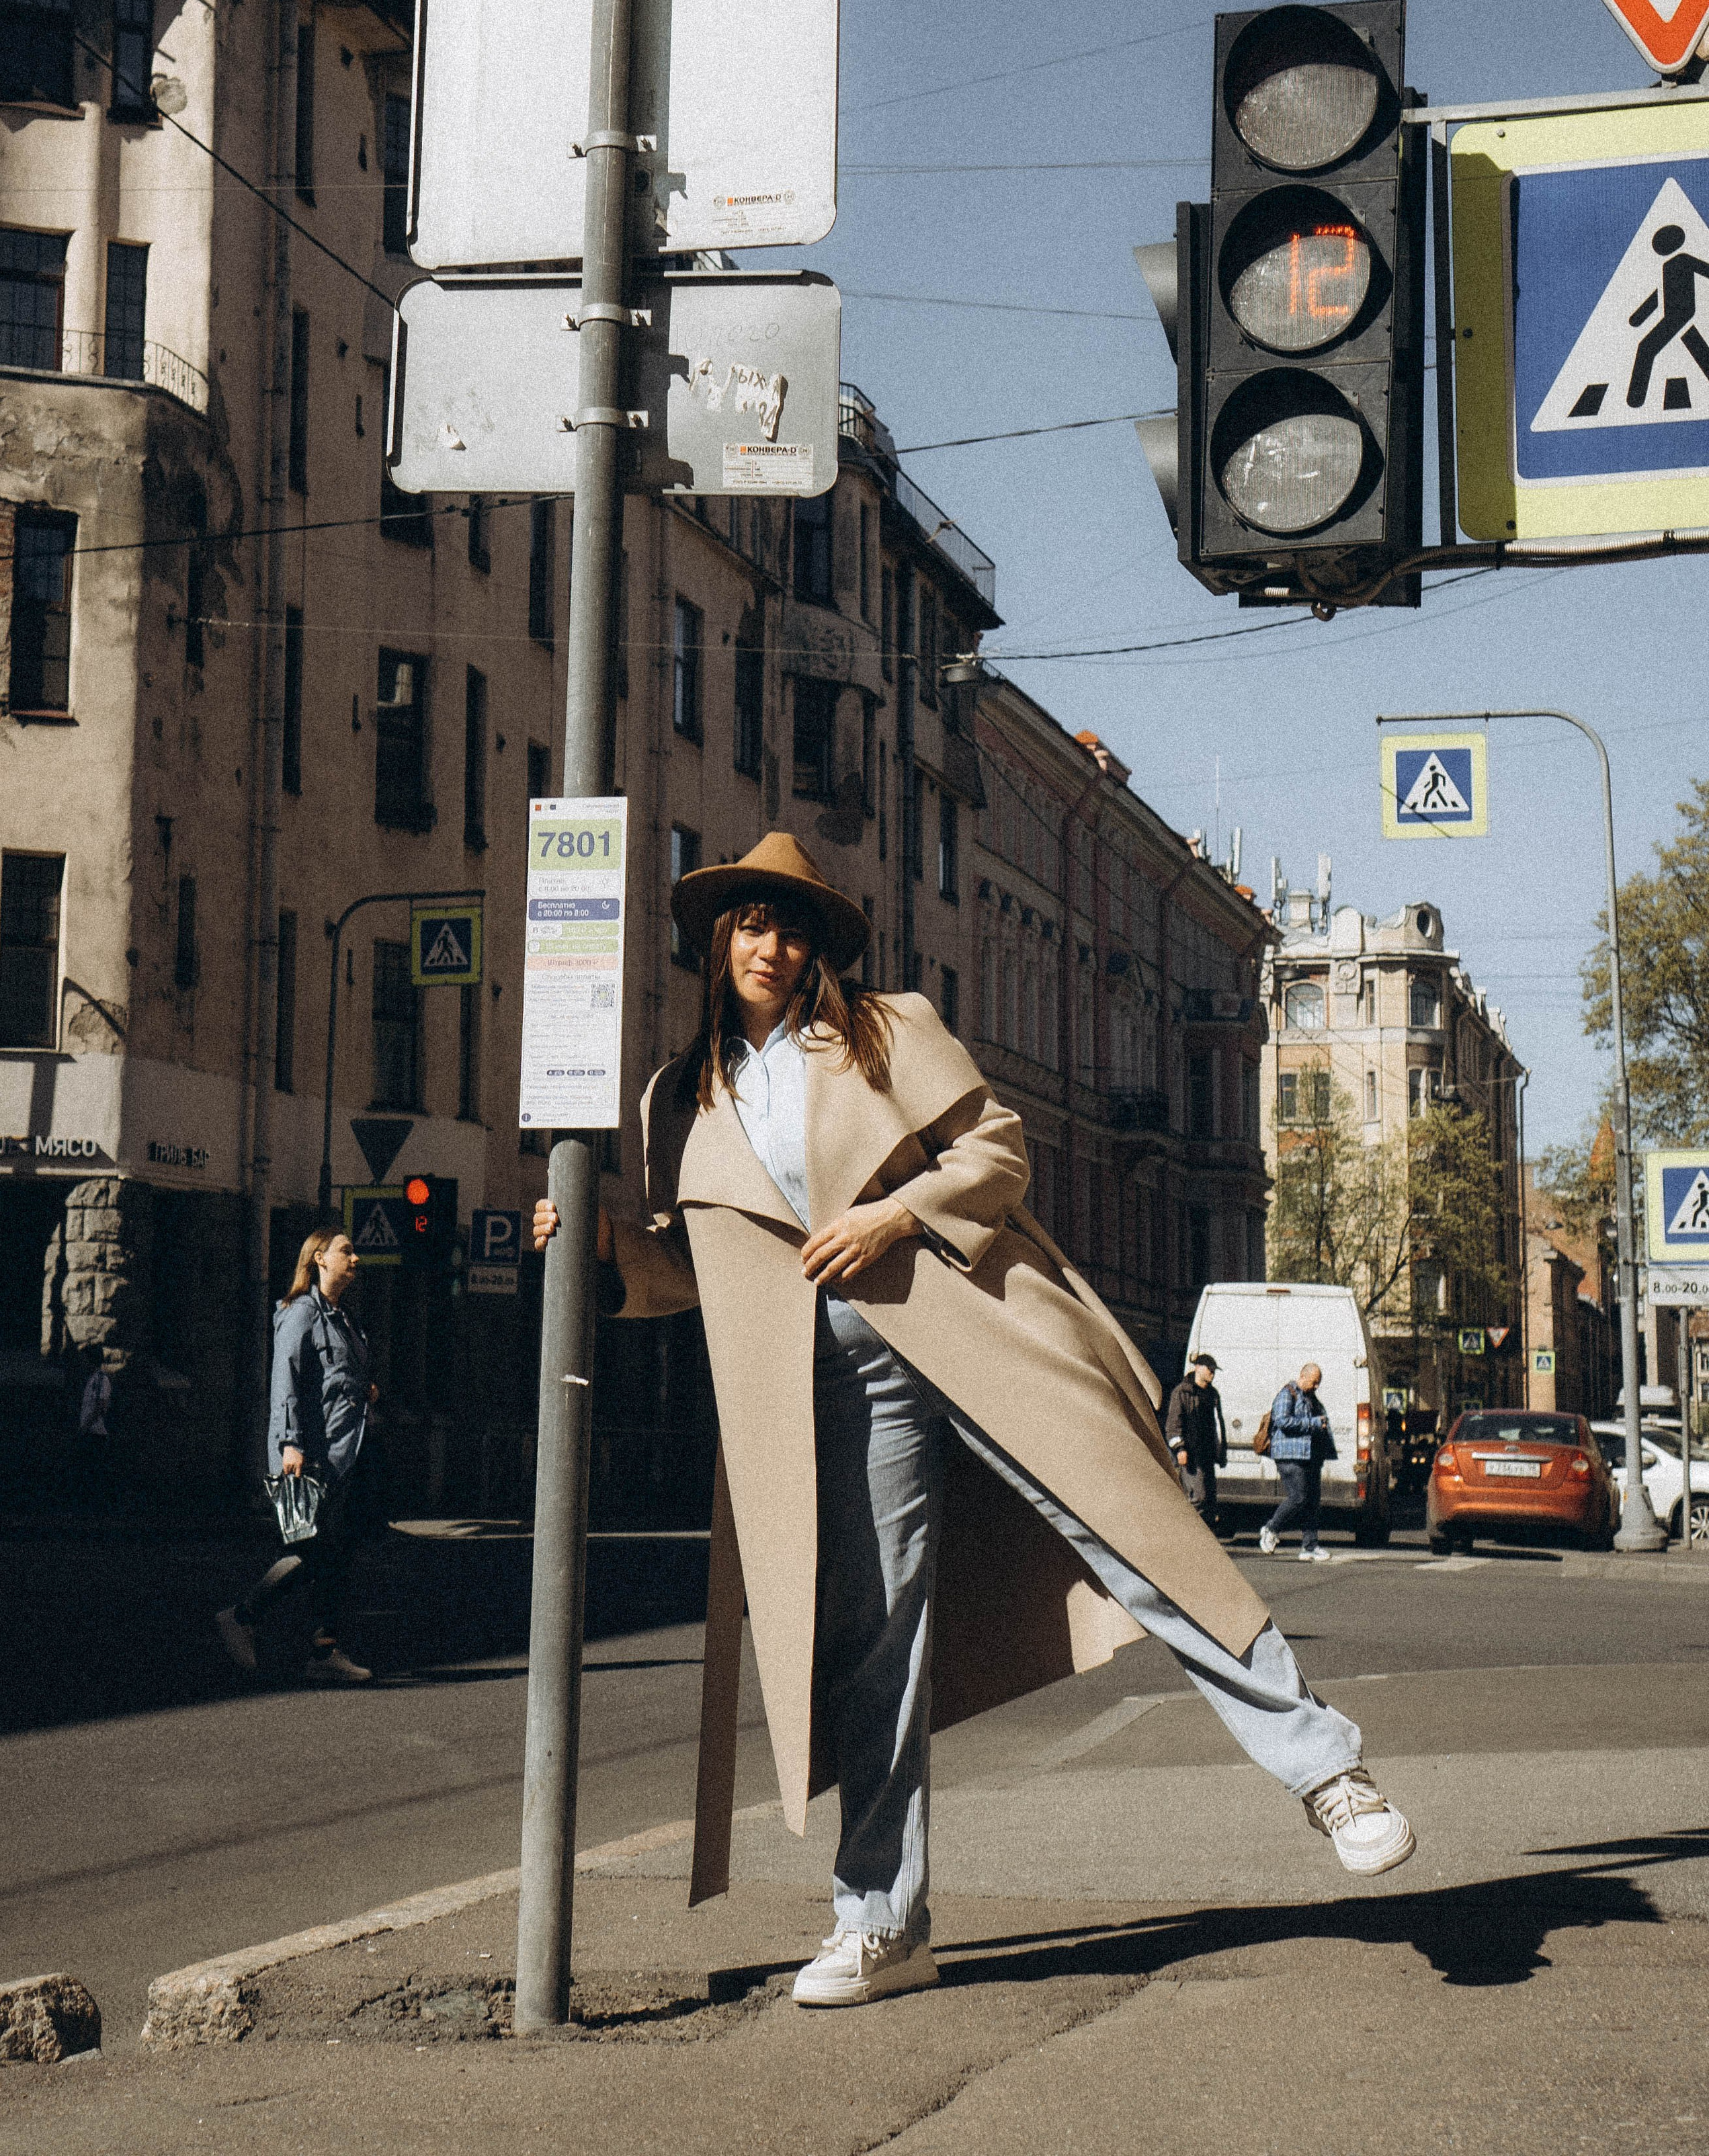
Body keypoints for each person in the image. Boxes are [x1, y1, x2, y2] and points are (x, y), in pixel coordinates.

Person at [536, 834, 1414, 2010]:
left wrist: (893, 1216)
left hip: (968, 1321)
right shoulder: (675, 1097)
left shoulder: (882, 1031)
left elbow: (997, 1153)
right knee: (872, 1644)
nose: (770, 948)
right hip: (826, 1387)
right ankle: (883, 1922)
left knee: (1136, 1535)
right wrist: (597, 1243)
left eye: (790, 929)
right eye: (750, 926)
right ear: (717, 941)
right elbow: (690, 1268)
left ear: (817, 948)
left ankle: (1329, 1772)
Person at [215, 1229, 379, 1685]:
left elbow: (336, 1376)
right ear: (319, 1259)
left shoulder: (344, 1319)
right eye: (346, 1251)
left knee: (337, 1552)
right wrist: (290, 1443)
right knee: (312, 1551)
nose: (355, 1259)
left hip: (346, 1452)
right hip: (311, 1455)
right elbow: (284, 1378)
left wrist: (365, 1390)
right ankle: (243, 1617)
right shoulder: (300, 1312)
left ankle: (324, 1651)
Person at [1260, 1364, 1334, 1562]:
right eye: (1314, 1382)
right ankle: (1271, 1529)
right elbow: (1282, 1421)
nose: (1317, 1386)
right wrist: (1314, 1423)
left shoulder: (1310, 1397)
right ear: (1303, 1376)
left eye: (1319, 1383)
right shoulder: (1287, 1394)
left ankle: (1310, 1546)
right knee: (1298, 1497)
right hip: (1289, 1456)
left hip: (1309, 1456)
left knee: (1312, 1502)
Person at [1165, 1353, 1227, 1527]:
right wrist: (1180, 1448)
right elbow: (1173, 1425)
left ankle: (1206, 1535)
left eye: (1214, 1371)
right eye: (1210, 1370)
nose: (1212, 1374)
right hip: (1191, 1455)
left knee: (1210, 1502)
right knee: (1197, 1498)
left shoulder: (1213, 1394)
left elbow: (1218, 1425)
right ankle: (1189, 1533)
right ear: (1198, 1368)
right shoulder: (1182, 1392)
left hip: (1208, 1454)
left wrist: (1221, 1451)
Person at [75, 1343, 115, 1518]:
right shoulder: (92, 1379)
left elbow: (101, 1406)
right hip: (90, 1431)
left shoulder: (101, 1380)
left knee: (94, 1471)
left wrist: (85, 1426)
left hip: (95, 1433)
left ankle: (97, 1508)